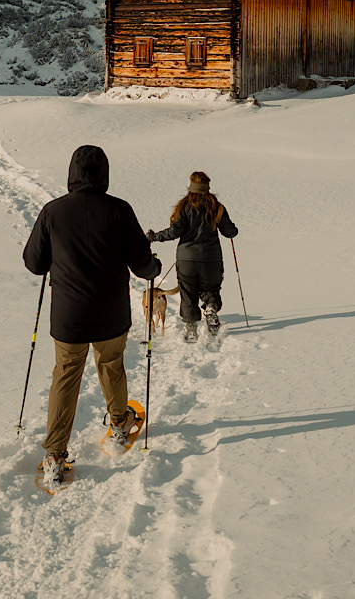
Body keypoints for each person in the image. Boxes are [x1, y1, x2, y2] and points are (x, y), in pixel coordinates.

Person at [23, 144, 160, 484]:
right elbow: (144, 267)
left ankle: (55, 454)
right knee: (111, 366)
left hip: (69, 316)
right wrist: (154, 263)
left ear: (71, 173)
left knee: (66, 376)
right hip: (110, 314)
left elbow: (33, 263)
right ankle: (119, 423)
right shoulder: (119, 211)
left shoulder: (52, 212)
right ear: (105, 175)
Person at [148, 171, 238, 342]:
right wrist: (233, 230)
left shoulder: (184, 207)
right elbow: (229, 232)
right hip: (211, 259)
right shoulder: (217, 207)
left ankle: (191, 328)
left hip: (187, 258)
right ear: (208, 187)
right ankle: (210, 308)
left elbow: (175, 231)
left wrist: (155, 237)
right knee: (210, 288)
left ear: (191, 188)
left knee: (188, 292)